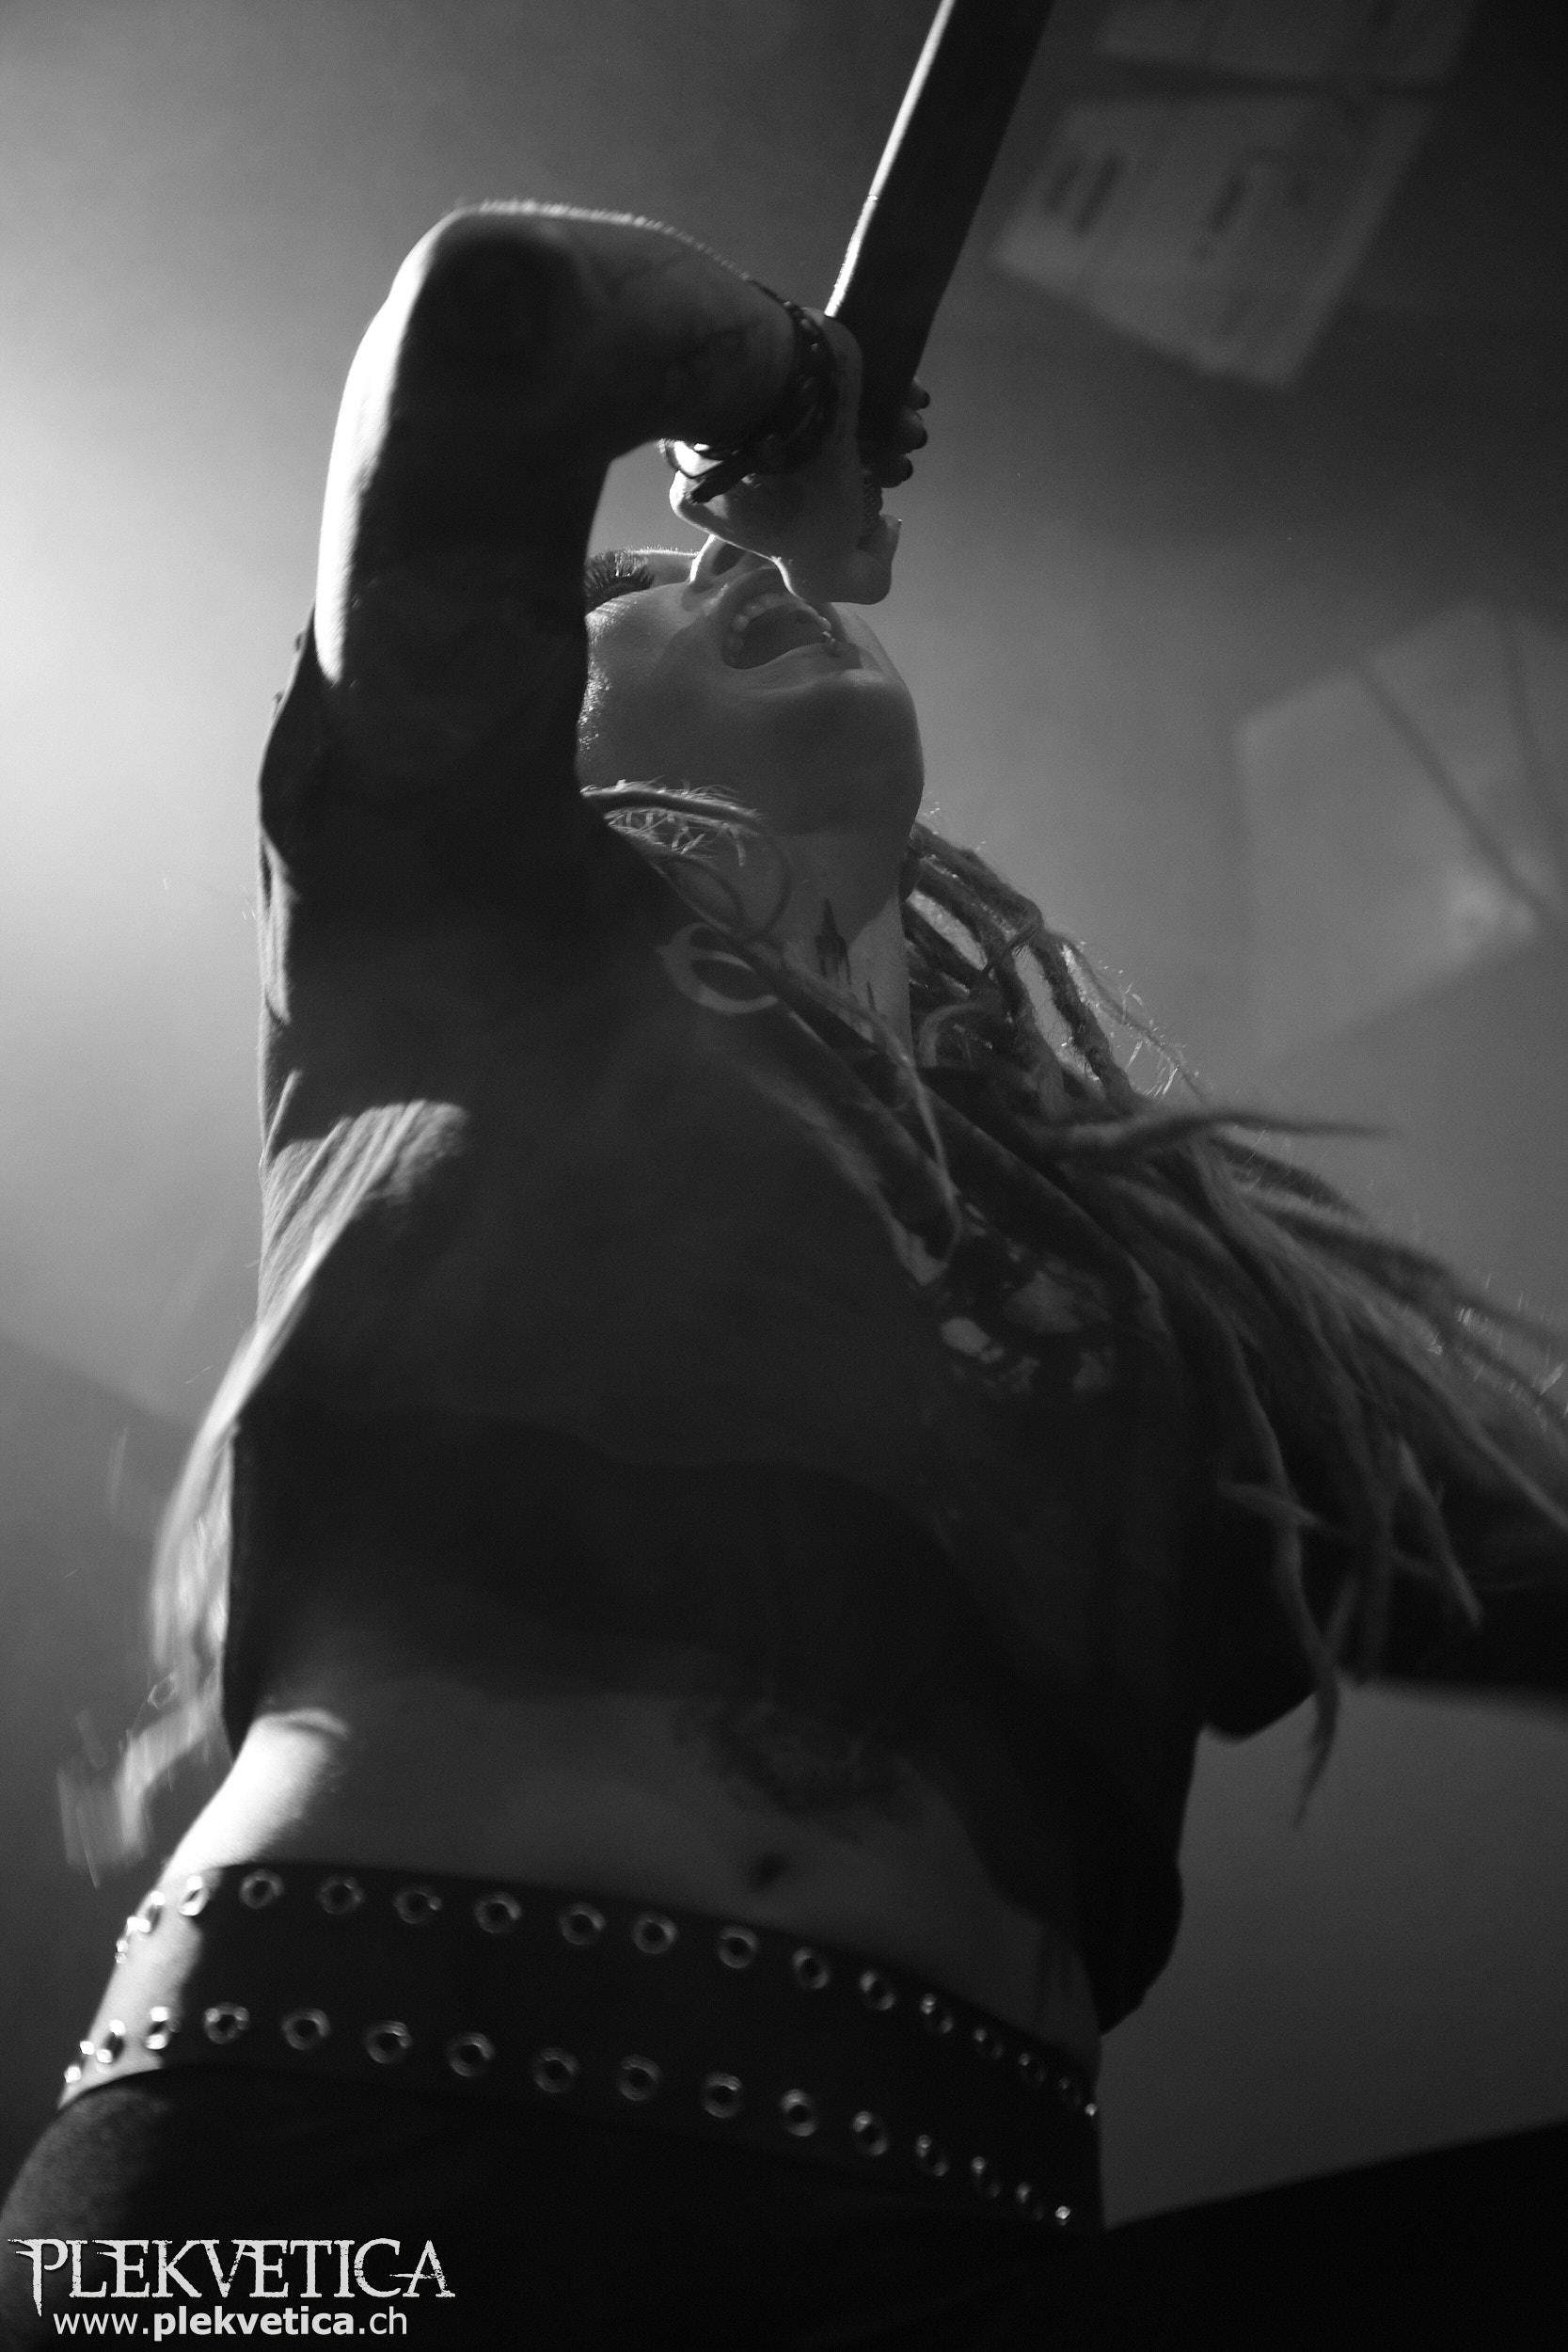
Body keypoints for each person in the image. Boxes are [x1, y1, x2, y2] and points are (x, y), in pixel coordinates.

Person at [4, 203, 1566, 2347]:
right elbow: (497, 312)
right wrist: (778, 396)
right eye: (627, 593)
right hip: (317, 2114)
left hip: (929, 2196)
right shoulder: (459, 915)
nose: (723, 572)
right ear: (527, 719)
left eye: (716, 556)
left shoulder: (1167, 1279)